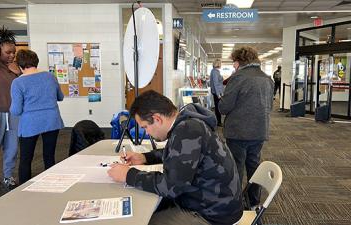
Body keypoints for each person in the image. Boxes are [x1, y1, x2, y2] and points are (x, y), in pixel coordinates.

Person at [107, 90, 243, 225]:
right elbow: (177, 152)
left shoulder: (188, 130)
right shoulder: (187, 122)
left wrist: (128, 175)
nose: (147, 132)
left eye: (145, 127)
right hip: (214, 202)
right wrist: (144, 157)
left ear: (157, 119)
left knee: (144, 220)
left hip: (214, 214)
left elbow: (171, 186)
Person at [218, 46, 274, 209]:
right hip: (259, 130)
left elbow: (224, 107)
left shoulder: (238, 78)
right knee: (253, 166)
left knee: (236, 166)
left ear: (240, 61)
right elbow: (269, 106)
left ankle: (234, 202)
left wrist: (222, 100)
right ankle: (253, 202)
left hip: (238, 131)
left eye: (234, 62)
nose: (234, 65)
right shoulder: (267, 78)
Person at [10, 49, 64, 184]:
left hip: (30, 124)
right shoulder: (50, 76)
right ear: (36, 62)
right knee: (49, 156)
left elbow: (16, 110)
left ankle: (23, 191)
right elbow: (60, 97)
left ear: (20, 66)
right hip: (52, 120)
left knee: (26, 159)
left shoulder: (18, 83)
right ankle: (50, 185)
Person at [0, 26, 21, 189]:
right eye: (8, 52)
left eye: (14, 52)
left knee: (12, 148)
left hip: (13, 114)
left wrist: (18, 73)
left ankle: (7, 177)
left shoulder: (15, 69)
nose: (12, 55)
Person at [209, 58, 223, 126]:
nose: (221, 64)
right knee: (218, 107)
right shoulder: (215, 72)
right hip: (217, 93)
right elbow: (215, 83)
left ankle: (218, 121)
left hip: (217, 92)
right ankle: (219, 122)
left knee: (218, 107)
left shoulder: (215, 71)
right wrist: (218, 94)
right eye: (220, 63)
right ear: (218, 64)